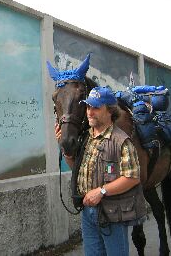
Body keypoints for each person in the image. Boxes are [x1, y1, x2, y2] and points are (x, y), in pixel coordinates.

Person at [55, 86, 146, 256]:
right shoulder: (87, 137)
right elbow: (76, 167)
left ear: (110, 111)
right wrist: (66, 149)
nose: (89, 112)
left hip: (112, 214)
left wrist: (102, 191)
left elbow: (132, 177)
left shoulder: (121, 141)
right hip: (88, 213)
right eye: (88, 107)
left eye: (96, 107)